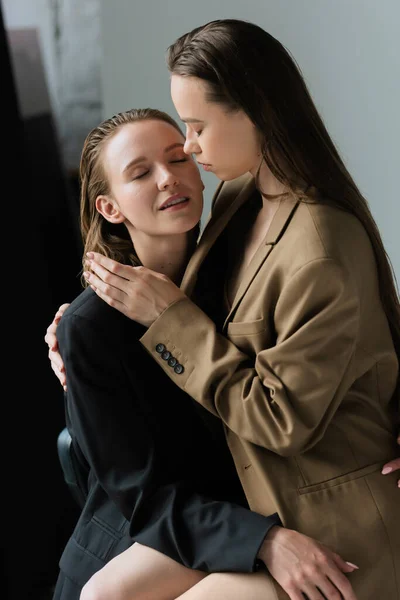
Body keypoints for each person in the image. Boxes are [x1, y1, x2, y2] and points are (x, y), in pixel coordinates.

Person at [46, 18, 400, 600]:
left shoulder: (314, 243)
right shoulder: (238, 204)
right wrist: (77, 333)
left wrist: (167, 320)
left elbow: (342, 349)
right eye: (143, 171)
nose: (186, 152)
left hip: (318, 499)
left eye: (194, 129)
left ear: (255, 111)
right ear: (109, 205)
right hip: (219, 507)